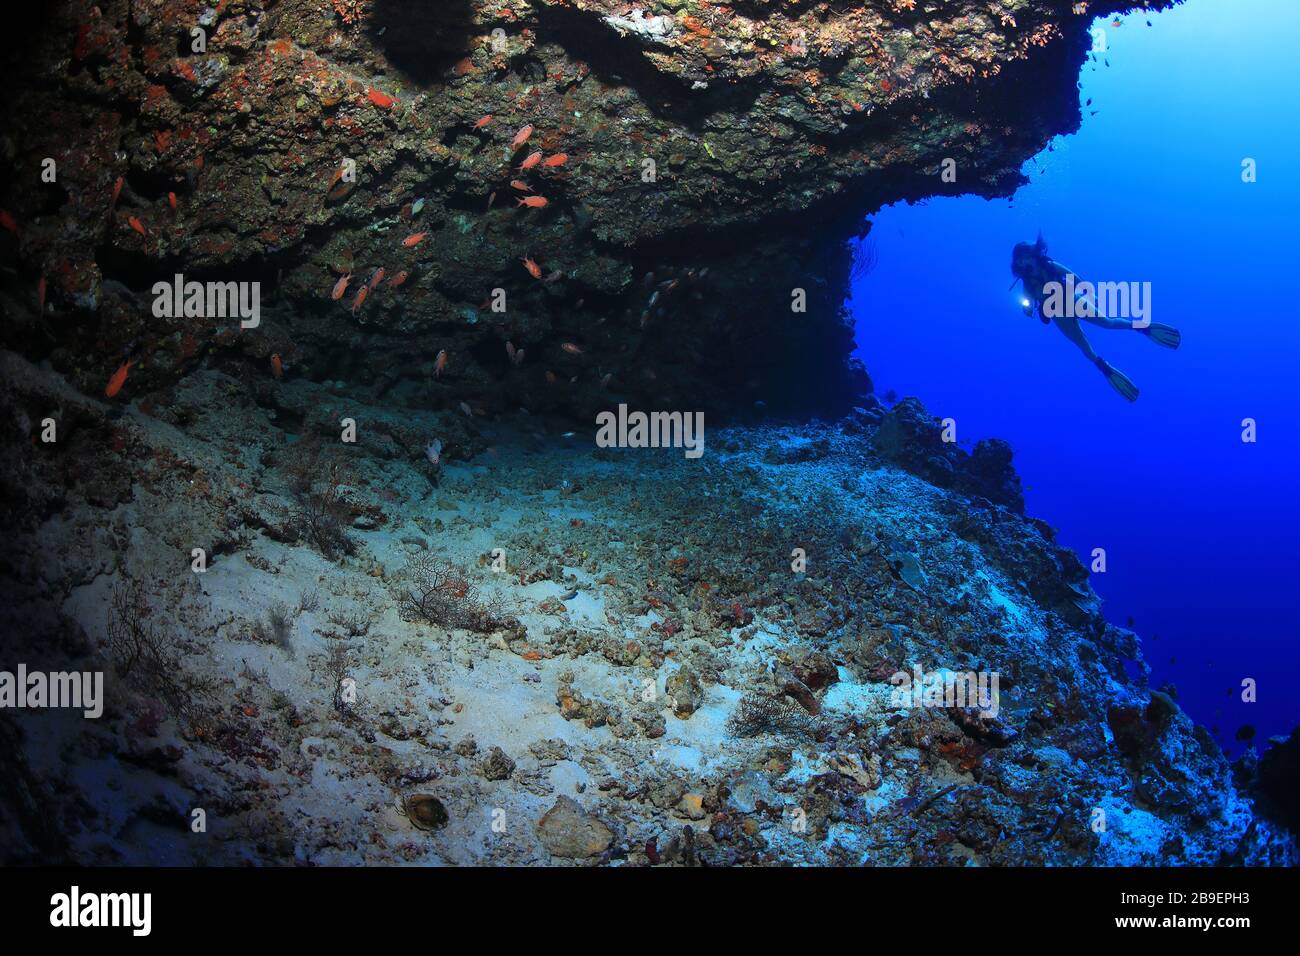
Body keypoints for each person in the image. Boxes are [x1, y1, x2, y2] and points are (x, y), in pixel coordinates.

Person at [1010, 235, 1181, 401]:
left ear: (1032, 254)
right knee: (1083, 345)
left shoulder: (1050, 265)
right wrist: (1027, 308)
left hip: (1072, 300)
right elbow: (1028, 303)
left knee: (1107, 322)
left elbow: (1074, 277)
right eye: (1019, 261)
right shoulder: (1026, 283)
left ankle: (1142, 326)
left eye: (1024, 258)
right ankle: (1104, 367)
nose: (1023, 263)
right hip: (1058, 314)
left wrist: (1089, 293)